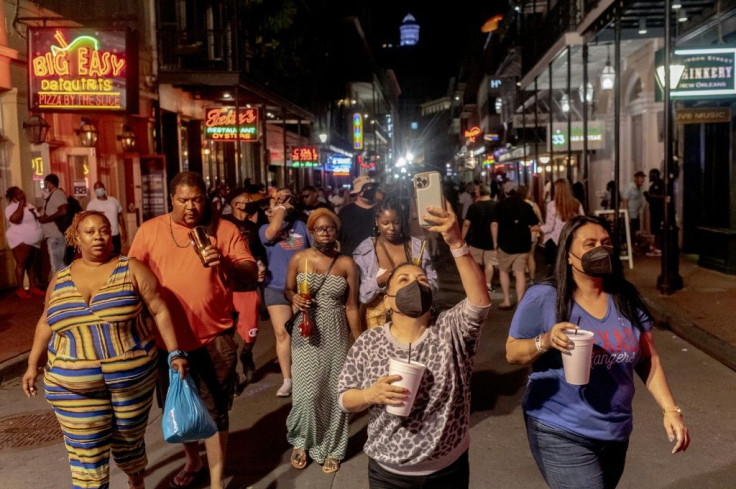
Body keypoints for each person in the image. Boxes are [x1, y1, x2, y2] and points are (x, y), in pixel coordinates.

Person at [506, 215, 690, 489]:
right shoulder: (544, 297)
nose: (600, 250)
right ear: (568, 256)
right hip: (560, 427)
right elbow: (512, 352)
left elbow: (648, 358)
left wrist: (670, 410)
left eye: (605, 243)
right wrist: (545, 340)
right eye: (589, 244)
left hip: (615, 428)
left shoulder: (625, 296)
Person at [21, 211, 189, 489]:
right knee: (87, 457)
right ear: (76, 238)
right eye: (90, 232)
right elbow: (45, 322)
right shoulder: (60, 279)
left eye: (104, 230)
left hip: (130, 381)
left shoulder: (131, 268)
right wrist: (32, 364)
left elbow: (159, 310)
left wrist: (174, 353)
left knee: (128, 440)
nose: (99, 237)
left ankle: (136, 477)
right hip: (72, 384)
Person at [337, 201, 491, 488]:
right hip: (388, 470)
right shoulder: (370, 341)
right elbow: (344, 398)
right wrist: (371, 394)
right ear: (388, 300)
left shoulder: (450, 329)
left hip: (447, 468)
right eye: (404, 280)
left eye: (421, 280)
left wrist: (456, 242)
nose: (415, 284)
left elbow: (479, 303)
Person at [128, 171, 256, 489]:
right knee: (181, 405)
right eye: (183, 200)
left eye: (197, 199)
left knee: (215, 409)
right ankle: (193, 459)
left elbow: (250, 274)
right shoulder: (150, 231)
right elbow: (130, 276)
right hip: (167, 340)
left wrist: (224, 262)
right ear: (171, 198)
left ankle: (215, 482)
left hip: (215, 334)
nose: (191, 207)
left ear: (206, 198)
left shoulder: (223, 229)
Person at [283, 209, 361, 474]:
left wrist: (359, 342)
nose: (325, 232)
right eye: (319, 228)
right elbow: (288, 288)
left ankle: (334, 448)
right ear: (311, 232)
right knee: (307, 394)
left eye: (330, 228)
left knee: (335, 393)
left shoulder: (347, 264)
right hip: (306, 331)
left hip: (336, 332)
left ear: (336, 232)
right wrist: (293, 297)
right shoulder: (299, 258)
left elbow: (352, 306)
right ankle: (302, 440)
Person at [353, 197, 438, 329]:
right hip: (378, 323)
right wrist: (379, 281)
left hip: (414, 319)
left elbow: (433, 282)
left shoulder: (416, 247)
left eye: (396, 222)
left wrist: (419, 286)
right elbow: (361, 294)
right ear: (377, 222)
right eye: (385, 223)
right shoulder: (366, 251)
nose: (392, 228)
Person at [260, 188, 313, 397]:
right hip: (275, 287)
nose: (281, 202)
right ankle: (287, 379)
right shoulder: (264, 228)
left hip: (301, 287)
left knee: (303, 332)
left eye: (286, 198)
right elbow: (273, 233)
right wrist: (280, 207)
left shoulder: (301, 225)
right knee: (282, 334)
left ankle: (303, 374)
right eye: (277, 199)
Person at [223, 188, 269, 390]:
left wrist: (260, 264)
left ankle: (247, 353)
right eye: (246, 199)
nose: (249, 202)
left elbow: (259, 252)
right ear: (234, 203)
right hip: (226, 286)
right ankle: (231, 370)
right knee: (227, 332)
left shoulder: (253, 226)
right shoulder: (222, 224)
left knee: (250, 330)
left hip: (248, 286)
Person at [491, 182, 540, 310]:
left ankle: (507, 300)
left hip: (505, 244)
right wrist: (531, 238)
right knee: (520, 273)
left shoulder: (499, 206)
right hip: (523, 245)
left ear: (505, 192)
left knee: (503, 271)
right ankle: (520, 302)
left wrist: (495, 242)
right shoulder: (526, 206)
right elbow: (535, 226)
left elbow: (494, 225)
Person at [4, 186, 44, 298]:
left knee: (32, 264)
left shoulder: (29, 205)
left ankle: (33, 286)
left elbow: (38, 218)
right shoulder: (11, 207)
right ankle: (20, 289)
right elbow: (15, 219)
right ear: (13, 197)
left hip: (34, 240)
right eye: (19, 193)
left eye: (22, 192)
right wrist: (21, 204)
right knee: (21, 263)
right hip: (20, 239)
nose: (22, 194)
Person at [540, 178, 585, 269]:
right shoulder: (577, 204)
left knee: (556, 270)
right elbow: (582, 222)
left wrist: (539, 228)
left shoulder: (552, 205)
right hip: (572, 240)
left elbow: (549, 227)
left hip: (555, 243)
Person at [462, 183, 497, 293]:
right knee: (489, 264)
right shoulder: (496, 205)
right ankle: (488, 285)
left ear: (480, 192)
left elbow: (466, 224)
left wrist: (462, 238)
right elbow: (499, 223)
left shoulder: (474, 206)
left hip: (476, 239)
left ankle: (477, 284)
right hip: (491, 240)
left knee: (475, 263)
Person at [338, 175, 380, 256]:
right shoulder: (345, 212)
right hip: (353, 260)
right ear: (358, 192)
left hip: (378, 258)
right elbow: (339, 239)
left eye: (371, 188)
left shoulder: (381, 210)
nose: (369, 191)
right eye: (365, 189)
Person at [37, 174, 68, 274]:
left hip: (56, 236)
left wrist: (47, 219)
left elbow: (63, 210)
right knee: (56, 265)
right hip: (53, 236)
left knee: (57, 267)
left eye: (45, 183)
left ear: (48, 183)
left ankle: (59, 288)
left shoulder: (57, 194)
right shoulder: (52, 195)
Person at [86, 181, 128, 254]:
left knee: (116, 256)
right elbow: (88, 221)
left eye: (99, 187)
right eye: (96, 188)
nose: (98, 190)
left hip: (115, 235)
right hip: (101, 236)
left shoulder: (113, 201)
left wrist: (124, 230)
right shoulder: (92, 205)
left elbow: (120, 216)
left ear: (104, 188)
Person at [517, 185, 543, 285]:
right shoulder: (533, 205)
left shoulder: (517, 205)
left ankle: (521, 277)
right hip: (533, 234)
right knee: (531, 256)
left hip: (520, 234)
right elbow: (540, 221)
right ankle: (532, 278)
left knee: (521, 257)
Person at [644, 168, 664, 256]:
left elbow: (664, 196)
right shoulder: (652, 186)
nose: (649, 176)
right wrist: (647, 196)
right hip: (653, 210)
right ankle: (655, 247)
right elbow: (650, 200)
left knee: (659, 230)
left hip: (660, 211)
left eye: (651, 174)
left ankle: (659, 248)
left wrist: (652, 196)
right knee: (654, 230)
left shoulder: (662, 184)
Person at [622, 171, 646, 236]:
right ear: (636, 178)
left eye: (643, 178)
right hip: (630, 214)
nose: (643, 180)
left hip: (636, 214)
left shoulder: (640, 188)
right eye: (641, 178)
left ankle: (633, 244)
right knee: (628, 232)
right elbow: (624, 201)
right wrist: (627, 216)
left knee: (634, 231)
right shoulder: (630, 187)